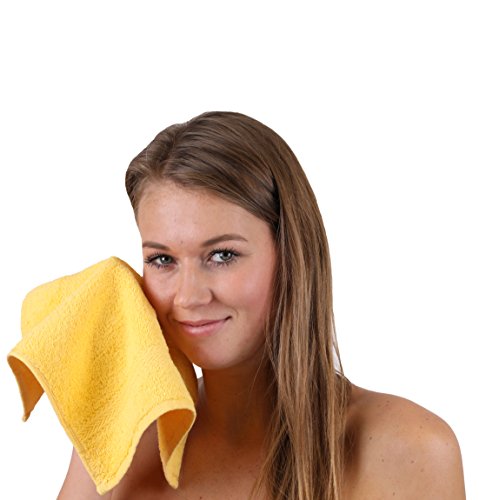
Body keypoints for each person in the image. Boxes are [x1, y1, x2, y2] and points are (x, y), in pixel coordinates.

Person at [58, 111, 466, 499]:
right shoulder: (128, 446)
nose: (188, 297)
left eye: (222, 255)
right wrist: (101, 416)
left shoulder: (407, 450)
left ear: (291, 256)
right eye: (162, 259)